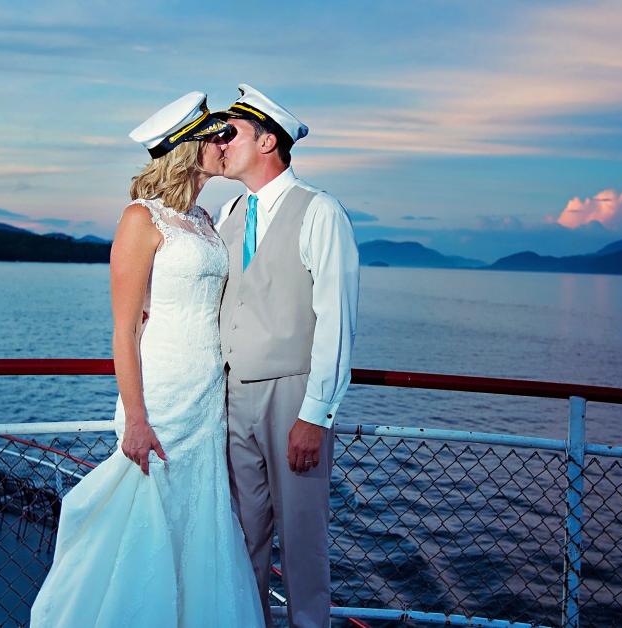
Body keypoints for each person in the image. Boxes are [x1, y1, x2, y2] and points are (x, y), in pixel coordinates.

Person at [30, 92, 264, 627]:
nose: (224, 145)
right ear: (188, 148)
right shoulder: (141, 218)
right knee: (144, 517)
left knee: (197, 519)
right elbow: (123, 328)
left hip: (206, 395)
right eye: (216, 137)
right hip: (161, 394)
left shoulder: (203, 219)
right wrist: (135, 418)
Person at [215, 84, 361, 628]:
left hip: (292, 398)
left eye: (231, 134)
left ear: (268, 141)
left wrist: (315, 415)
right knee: (241, 539)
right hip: (233, 398)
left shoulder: (320, 212)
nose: (220, 143)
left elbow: (337, 321)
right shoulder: (230, 210)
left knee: (302, 543)